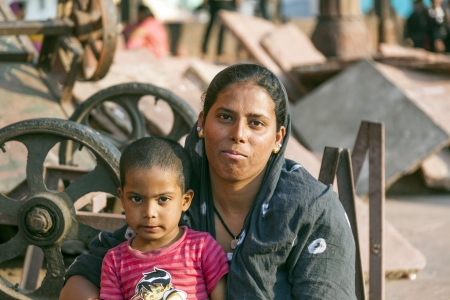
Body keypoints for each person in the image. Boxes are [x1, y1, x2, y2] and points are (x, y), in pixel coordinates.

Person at [60, 63, 357, 300]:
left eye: (256, 123)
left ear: (278, 138)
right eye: (225, 117)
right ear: (202, 123)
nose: (238, 133)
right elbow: (94, 267)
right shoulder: (175, 196)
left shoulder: (310, 211)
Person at [100, 137, 228, 300]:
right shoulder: (115, 262)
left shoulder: (202, 249)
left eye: (163, 199)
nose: (149, 212)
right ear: (122, 198)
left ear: (185, 201)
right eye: (137, 199)